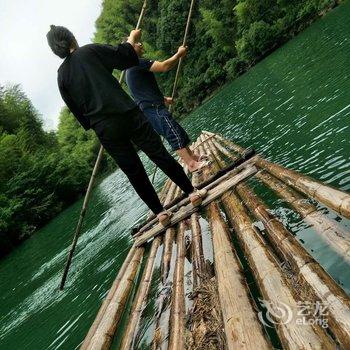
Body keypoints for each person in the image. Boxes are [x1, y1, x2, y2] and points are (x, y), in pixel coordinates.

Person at [46, 25, 206, 226]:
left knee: (133, 170)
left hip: (104, 128)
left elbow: (79, 114)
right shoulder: (89, 51)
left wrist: (97, 124)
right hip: (126, 112)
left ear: (55, 50)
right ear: (72, 38)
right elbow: (124, 57)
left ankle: (160, 214)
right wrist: (132, 36)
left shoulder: (61, 76)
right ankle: (191, 192)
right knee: (157, 153)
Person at [125, 38, 209, 173]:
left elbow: (140, 92)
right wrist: (178, 54)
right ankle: (191, 164)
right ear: (129, 49)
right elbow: (164, 66)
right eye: (136, 43)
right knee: (172, 133)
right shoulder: (137, 63)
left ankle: (193, 157)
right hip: (152, 109)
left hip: (152, 107)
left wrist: (163, 99)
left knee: (176, 130)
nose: (140, 44)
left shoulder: (130, 69)